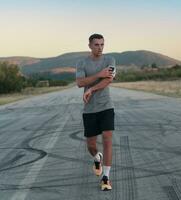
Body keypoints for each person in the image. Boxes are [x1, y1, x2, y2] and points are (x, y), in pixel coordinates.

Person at [75, 33, 116, 191]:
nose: (100, 48)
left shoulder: (110, 60)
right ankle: (96, 157)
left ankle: (105, 178)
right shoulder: (82, 62)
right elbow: (79, 83)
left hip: (106, 106)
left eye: (102, 44)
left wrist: (91, 88)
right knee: (91, 146)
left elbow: (108, 79)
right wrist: (99, 74)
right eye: (97, 45)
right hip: (89, 109)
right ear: (90, 46)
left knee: (107, 138)